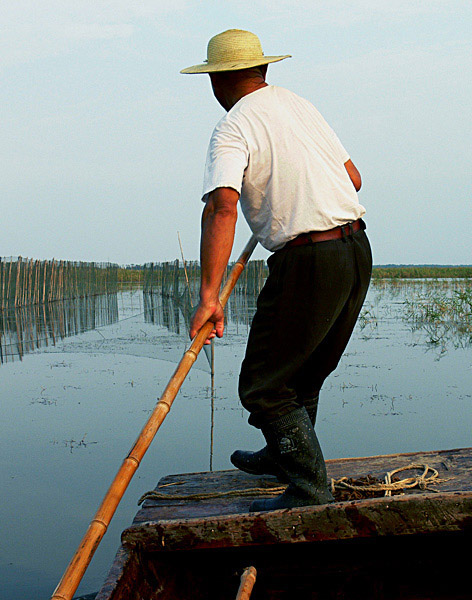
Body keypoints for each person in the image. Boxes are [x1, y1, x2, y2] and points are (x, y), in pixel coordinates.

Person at [183, 29, 372, 511]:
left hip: (309, 260)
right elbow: (353, 177)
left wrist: (209, 296)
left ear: (217, 80)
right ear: (263, 71)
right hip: (354, 248)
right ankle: (282, 455)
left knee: (264, 386)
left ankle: (309, 492)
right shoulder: (298, 105)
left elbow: (222, 206)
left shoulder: (233, 125)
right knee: (306, 372)